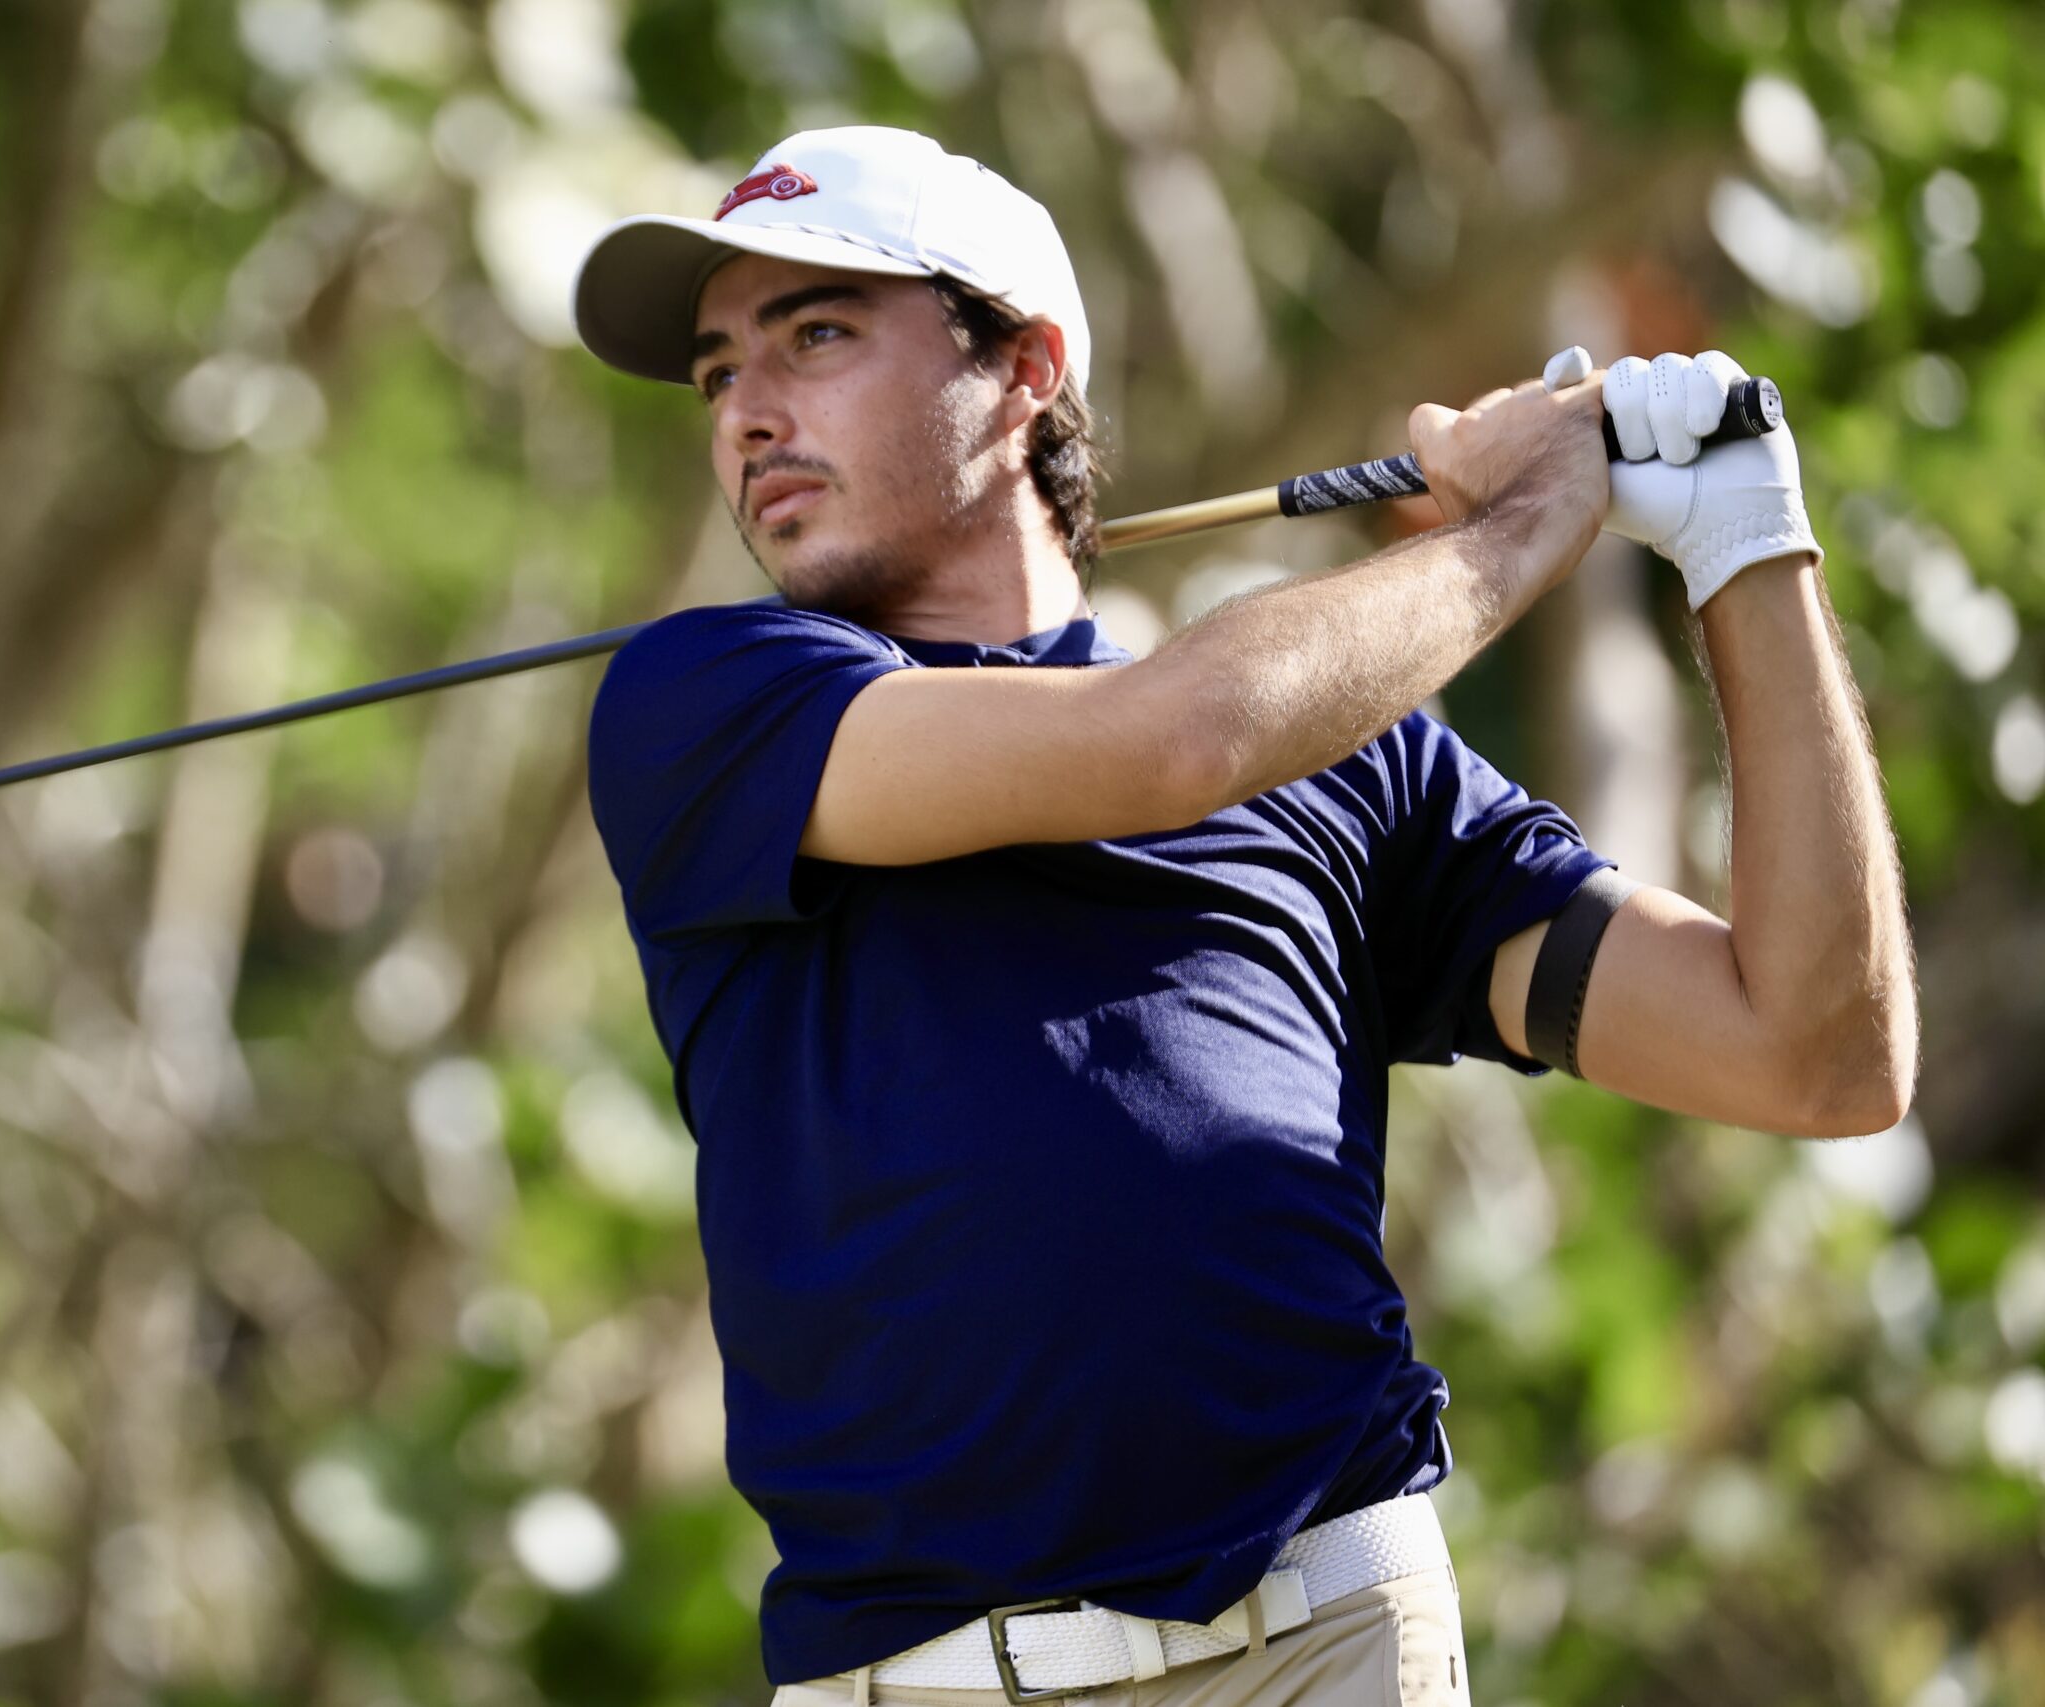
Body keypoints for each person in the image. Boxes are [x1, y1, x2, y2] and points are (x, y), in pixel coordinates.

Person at [569, 126, 1915, 1706]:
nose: (751, 414)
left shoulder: (1354, 763)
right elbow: (1164, 747)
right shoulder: (709, 704)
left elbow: (1818, 1055)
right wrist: (1519, 531)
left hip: (1332, 1644)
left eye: (815, 335)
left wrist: (1751, 547)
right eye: (722, 373)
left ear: (1023, 371)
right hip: (923, 1677)